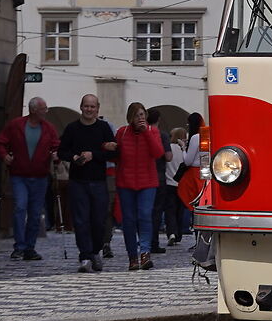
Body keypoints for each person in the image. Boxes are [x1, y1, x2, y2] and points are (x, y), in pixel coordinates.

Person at [0, 96, 58, 261]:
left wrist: (56, 154)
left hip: (40, 175)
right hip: (19, 174)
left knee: (36, 213)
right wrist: (4, 156)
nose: (46, 111)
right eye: (44, 109)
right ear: (34, 110)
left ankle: (30, 247)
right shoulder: (16, 125)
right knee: (20, 208)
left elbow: (56, 145)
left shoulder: (48, 128)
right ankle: (19, 246)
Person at [60, 94, 117, 273]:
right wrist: (74, 157)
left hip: (98, 181)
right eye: (86, 106)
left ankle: (95, 251)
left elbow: (113, 152)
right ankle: (85, 256)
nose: (89, 109)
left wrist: (94, 155)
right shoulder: (72, 128)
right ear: (81, 107)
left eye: (92, 107)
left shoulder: (103, 128)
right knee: (80, 220)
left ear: (97, 108)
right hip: (78, 181)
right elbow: (62, 151)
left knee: (98, 220)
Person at [114, 102, 166, 270]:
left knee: (144, 216)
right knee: (128, 220)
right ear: (131, 118)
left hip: (147, 182)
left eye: (142, 115)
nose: (140, 118)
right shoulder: (122, 133)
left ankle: (145, 252)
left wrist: (147, 134)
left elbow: (158, 153)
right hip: (126, 182)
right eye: (137, 115)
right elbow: (115, 156)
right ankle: (132, 256)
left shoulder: (153, 131)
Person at [161, 124, 194, 246]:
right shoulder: (184, 150)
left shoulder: (169, 148)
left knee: (170, 210)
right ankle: (179, 233)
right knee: (180, 211)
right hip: (180, 184)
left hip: (169, 183)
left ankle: (171, 233)